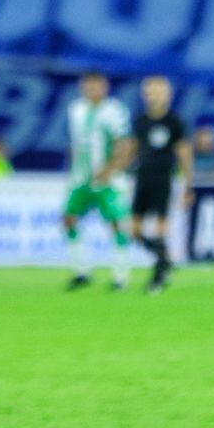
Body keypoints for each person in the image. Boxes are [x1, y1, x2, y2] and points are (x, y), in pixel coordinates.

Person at [62, 71, 136, 291]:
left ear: (105, 86)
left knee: (116, 224)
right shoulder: (76, 110)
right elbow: (76, 145)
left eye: (97, 85)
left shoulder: (114, 111)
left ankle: (120, 276)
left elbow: (125, 144)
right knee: (69, 219)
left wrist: (110, 170)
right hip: (81, 179)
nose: (93, 89)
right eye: (88, 85)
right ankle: (82, 270)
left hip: (108, 180)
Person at [131, 75, 192, 294]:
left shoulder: (174, 122)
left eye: (156, 91)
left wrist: (188, 184)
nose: (151, 96)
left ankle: (158, 277)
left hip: (163, 179)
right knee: (135, 231)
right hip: (142, 178)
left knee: (160, 229)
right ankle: (165, 260)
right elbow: (133, 148)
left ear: (168, 95)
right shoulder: (140, 120)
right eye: (148, 92)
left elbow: (184, 152)